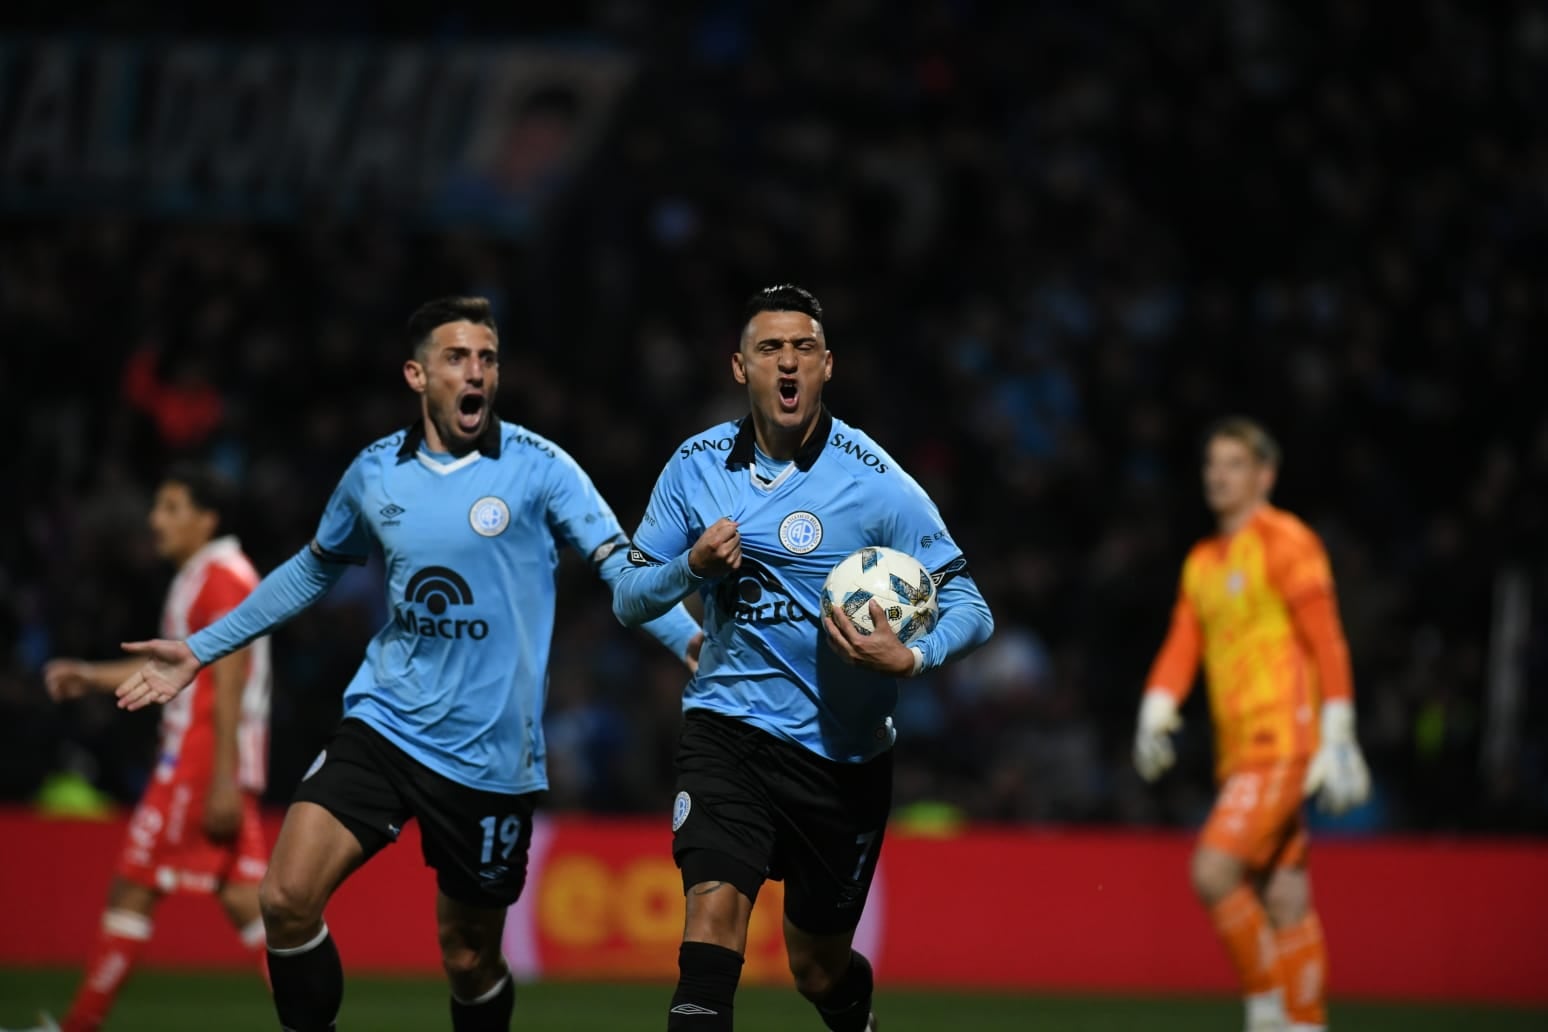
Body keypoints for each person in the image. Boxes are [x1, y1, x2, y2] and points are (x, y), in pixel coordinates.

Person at [111, 296, 702, 1032]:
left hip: (490, 755)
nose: (477, 372)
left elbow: (624, 568)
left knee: (467, 957)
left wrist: (687, 640)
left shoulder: (540, 468)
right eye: (458, 358)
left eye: (487, 358)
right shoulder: (373, 475)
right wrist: (199, 650)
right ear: (417, 375)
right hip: (385, 723)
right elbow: (312, 570)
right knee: (284, 899)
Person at [612, 284, 995, 1032]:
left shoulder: (878, 481)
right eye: (769, 349)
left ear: (827, 367)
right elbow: (629, 596)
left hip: (841, 762)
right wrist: (689, 567)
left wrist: (911, 658)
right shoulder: (694, 467)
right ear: (739, 368)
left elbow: (972, 606)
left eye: (803, 349)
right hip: (728, 733)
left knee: (816, 967)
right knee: (711, 925)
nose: (787, 364)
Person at [6, 465, 271, 1032]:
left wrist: (222, 776)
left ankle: (78, 1026)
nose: (155, 521)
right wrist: (92, 675)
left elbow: (229, 677)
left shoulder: (220, 578)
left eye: (171, 509)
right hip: (211, 757)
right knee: (250, 901)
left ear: (208, 519)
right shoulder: (210, 573)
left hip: (201, 759)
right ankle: (314, 1016)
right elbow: (177, 668)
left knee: (135, 883)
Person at [1132, 417, 1372, 1032]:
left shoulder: (1287, 541)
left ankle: (1266, 1011)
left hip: (1283, 740)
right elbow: (1184, 645)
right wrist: (1156, 708)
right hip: (1238, 749)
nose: (1218, 474)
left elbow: (1327, 640)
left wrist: (1339, 730)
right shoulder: (1203, 561)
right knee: (1285, 893)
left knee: (1213, 869)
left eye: (1234, 463)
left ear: (1265, 474)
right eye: (1212, 462)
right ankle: (1306, 1022)